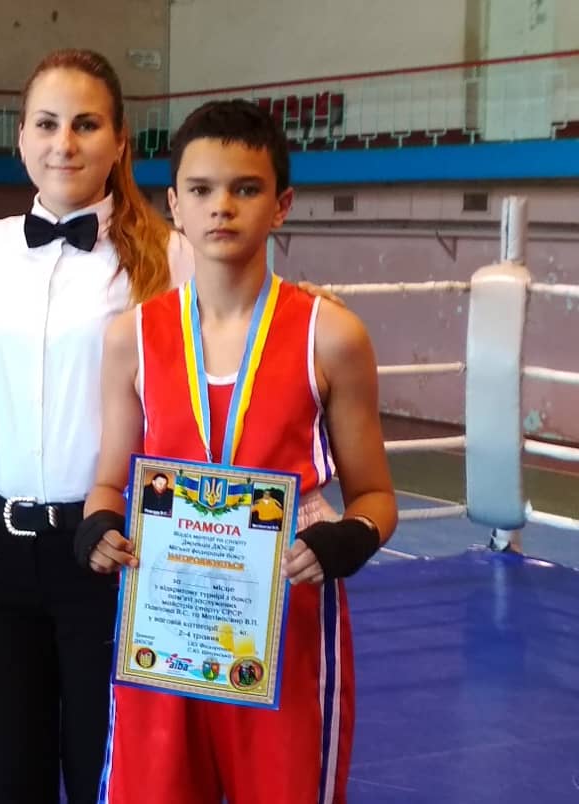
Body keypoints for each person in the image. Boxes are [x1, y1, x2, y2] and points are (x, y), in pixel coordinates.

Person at [0, 50, 338, 804]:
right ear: (21, 138)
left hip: (120, 554)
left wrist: (308, 305)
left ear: (119, 142)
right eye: (47, 124)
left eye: (85, 124)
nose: (64, 143)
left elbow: (251, 328)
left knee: (110, 781)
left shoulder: (175, 254)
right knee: (8, 782)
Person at [76, 99, 398, 803]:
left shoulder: (330, 335)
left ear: (281, 205)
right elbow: (108, 481)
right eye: (201, 189)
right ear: (174, 205)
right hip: (165, 616)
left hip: (286, 610)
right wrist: (98, 525)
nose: (221, 206)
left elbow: (376, 497)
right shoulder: (131, 337)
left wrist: (350, 538)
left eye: (245, 189)